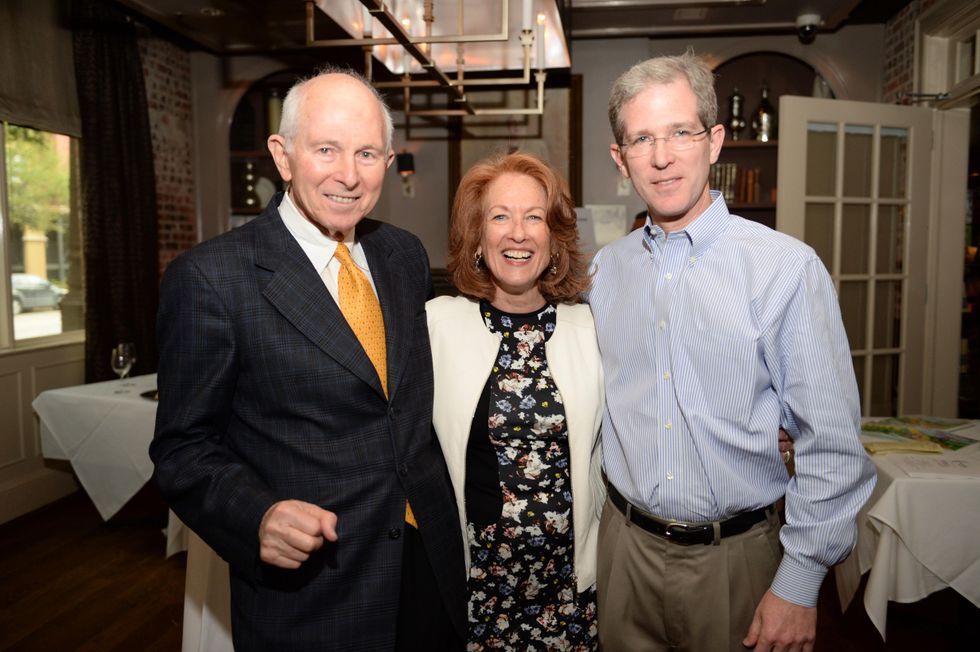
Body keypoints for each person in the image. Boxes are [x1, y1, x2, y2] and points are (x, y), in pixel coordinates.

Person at [149, 68, 465, 651]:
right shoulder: (212, 279)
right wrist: (258, 516)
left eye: (367, 153)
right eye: (327, 149)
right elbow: (182, 449)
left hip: (430, 565)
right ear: (283, 154)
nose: (349, 174)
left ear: (389, 161)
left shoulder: (403, 255)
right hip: (317, 592)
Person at [588, 52, 876, 651]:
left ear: (714, 141)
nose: (662, 157)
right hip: (624, 550)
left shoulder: (784, 269)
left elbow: (830, 441)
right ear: (620, 159)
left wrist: (799, 583)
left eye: (680, 133)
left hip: (737, 561)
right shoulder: (605, 271)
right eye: (641, 139)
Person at [427, 152, 605, 650]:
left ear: (554, 238)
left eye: (534, 217)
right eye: (499, 216)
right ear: (478, 238)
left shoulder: (590, 328)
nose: (518, 233)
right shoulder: (437, 324)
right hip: (478, 581)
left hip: (569, 585)